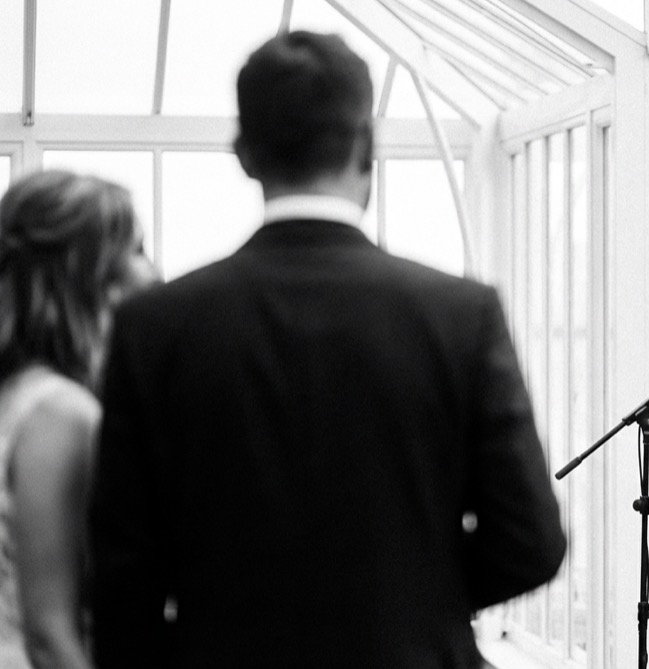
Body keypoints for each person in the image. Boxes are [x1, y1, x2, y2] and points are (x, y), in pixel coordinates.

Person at [88, 31, 566, 669]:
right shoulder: (460, 315)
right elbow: (530, 542)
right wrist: (411, 598)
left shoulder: (154, 326)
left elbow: (123, 575)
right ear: (366, 146)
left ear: (243, 154)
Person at [0, 170, 154, 669]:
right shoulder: (59, 412)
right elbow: (48, 633)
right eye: (135, 250)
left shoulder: (17, 394)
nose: (149, 271)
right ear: (86, 271)